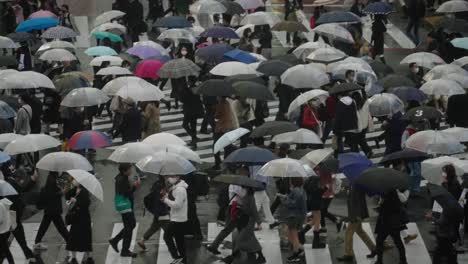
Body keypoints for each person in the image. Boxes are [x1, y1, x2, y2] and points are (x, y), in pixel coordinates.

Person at [2, 165, 38, 262]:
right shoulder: (9, 185)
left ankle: (29, 255)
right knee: (13, 240)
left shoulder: (9, 184)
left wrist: (32, 181)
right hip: (11, 217)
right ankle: (28, 255)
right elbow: (20, 192)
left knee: (17, 240)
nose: (22, 181)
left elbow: (21, 190)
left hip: (11, 218)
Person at [221, 187, 266, 264]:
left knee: (240, 240)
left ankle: (232, 258)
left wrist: (259, 223)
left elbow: (254, 211)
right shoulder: (246, 196)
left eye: (244, 187)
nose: (242, 188)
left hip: (249, 222)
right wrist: (239, 206)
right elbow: (247, 208)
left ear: (248, 189)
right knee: (252, 240)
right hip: (245, 220)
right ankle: (261, 257)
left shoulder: (250, 198)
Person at [337, 185, 376, 262]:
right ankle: (373, 249)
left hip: (356, 214)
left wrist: (358, 215)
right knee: (360, 231)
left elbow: (360, 201)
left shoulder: (357, 186)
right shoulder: (352, 184)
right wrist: (347, 189)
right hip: (354, 213)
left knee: (348, 232)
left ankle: (348, 254)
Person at [109, 163, 140, 258]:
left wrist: (131, 184)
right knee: (130, 226)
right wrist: (135, 186)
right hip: (125, 206)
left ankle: (115, 241)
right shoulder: (122, 179)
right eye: (129, 169)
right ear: (124, 171)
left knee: (129, 225)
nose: (131, 171)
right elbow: (126, 193)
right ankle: (125, 250)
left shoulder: (121, 177)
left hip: (125, 206)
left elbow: (124, 190)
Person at [368, 190, 408, 264]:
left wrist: (380, 204)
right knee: (398, 241)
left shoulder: (385, 191)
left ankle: (379, 261)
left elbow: (384, 205)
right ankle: (403, 260)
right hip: (394, 222)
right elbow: (403, 200)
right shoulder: (395, 191)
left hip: (386, 222)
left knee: (379, 240)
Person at [206, 184, 246, 255]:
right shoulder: (236, 185)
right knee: (229, 229)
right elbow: (243, 195)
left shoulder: (233, 184)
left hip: (236, 208)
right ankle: (214, 246)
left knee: (240, 230)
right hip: (236, 209)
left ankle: (236, 250)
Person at [34, 172, 70, 250]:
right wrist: (62, 192)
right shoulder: (52, 182)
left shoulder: (51, 181)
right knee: (61, 227)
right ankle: (69, 241)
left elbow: (53, 193)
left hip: (50, 210)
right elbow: (52, 195)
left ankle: (37, 241)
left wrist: (61, 188)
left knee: (45, 227)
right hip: (53, 210)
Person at [65, 180, 94, 264]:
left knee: (86, 238)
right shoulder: (76, 189)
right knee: (73, 238)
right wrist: (71, 188)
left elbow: (86, 203)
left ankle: (89, 258)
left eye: (75, 180)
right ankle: (74, 258)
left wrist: (76, 201)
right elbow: (67, 196)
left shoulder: (84, 191)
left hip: (83, 218)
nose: (74, 181)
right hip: (76, 218)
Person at [162, 175, 188, 264]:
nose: (169, 178)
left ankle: (177, 257)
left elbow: (178, 205)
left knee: (167, 236)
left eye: (172, 176)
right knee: (179, 241)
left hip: (178, 219)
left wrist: (165, 200)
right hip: (177, 217)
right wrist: (166, 194)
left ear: (177, 177)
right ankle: (183, 260)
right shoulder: (176, 187)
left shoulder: (180, 189)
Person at [138, 176, 170, 250]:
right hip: (162, 211)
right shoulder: (161, 186)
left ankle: (142, 241)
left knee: (154, 227)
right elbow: (161, 198)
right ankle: (173, 247)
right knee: (169, 230)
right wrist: (166, 193)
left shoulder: (157, 183)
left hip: (156, 211)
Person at [281, 177, 307, 263]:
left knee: (293, 234)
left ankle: (296, 254)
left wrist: (285, 200)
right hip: (297, 215)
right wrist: (287, 196)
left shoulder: (296, 190)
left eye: (291, 181)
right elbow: (296, 200)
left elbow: (294, 203)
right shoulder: (299, 190)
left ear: (293, 182)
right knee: (287, 232)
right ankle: (299, 248)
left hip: (295, 216)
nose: (290, 182)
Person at [213, 97, 239, 170]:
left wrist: (214, 111)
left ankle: (218, 162)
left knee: (215, 146)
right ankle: (227, 162)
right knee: (226, 146)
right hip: (227, 127)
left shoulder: (220, 104)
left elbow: (217, 116)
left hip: (221, 128)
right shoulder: (227, 102)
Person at [345, 91, 373, 158]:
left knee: (354, 143)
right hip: (364, 126)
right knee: (361, 140)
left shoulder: (353, 106)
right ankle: (368, 151)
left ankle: (357, 155)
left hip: (356, 127)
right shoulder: (365, 103)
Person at [0, 198, 15, 264]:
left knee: (5, 249)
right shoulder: (4, 204)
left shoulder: (0, 205)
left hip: (1, 231)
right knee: (5, 249)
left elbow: (0, 220)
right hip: (4, 230)